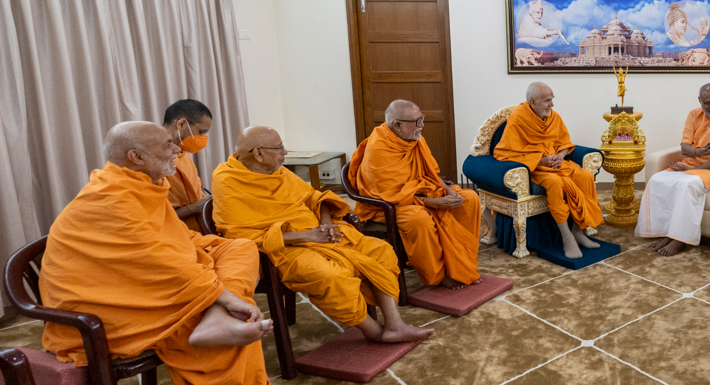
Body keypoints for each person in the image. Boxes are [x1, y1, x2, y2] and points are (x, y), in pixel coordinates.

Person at [40, 122, 306, 385]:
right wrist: (222, 296)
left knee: (239, 247)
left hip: (143, 281)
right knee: (236, 322)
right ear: (136, 156)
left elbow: (169, 244)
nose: (177, 151)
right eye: (168, 146)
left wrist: (217, 288)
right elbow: (158, 261)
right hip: (106, 308)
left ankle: (217, 318)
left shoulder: (139, 183)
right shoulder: (110, 200)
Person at [212, 126, 432, 345]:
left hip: (320, 235)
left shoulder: (278, 171)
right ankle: (373, 331)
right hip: (284, 248)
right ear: (258, 153)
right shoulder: (227, 179)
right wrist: (307, 236)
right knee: (332, 276)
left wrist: (325, 226)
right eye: (279, 148)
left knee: (382, 251)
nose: (285, 152)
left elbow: (316, 198)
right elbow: (239, 235)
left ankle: (394, 325)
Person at [348, 99, 481, 290]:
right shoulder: (378, 148)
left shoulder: (414, 139)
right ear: (397, 125)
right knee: (419, 219)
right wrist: (435, 202)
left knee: (469, 199)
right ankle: (437, 275)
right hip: (388, 205)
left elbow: (430, 173)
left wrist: (450, 191)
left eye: (422, 119)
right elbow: (387, 195)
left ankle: (461, 262)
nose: (422, 125)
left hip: (420, 193)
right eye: (417, 121)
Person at [493, 82, 604, 259]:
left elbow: (565, 143)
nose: (551, 105)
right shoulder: (518, 119)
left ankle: (578, 231)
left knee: (586, 176)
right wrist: (540, 161)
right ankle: (566, 237)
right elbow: (504, 153)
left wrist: (560, 156)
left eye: (552, 100)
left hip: (557, 163)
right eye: (547, 101)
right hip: (535, 167)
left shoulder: (554, 117)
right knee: (555, 183)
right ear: (532, 102)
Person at [635, 83, 710, 257]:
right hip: (692, 166)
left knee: (687, 185)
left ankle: (680, 239)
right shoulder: (694, 114)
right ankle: (666, 232)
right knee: (657, 180)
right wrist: (697, 153)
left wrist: (695, 168)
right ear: (700, 100)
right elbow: (684, 147)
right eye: (708, 103)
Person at [162, 99, 213, 232]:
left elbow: (198, 198)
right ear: (181, 124)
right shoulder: (152, 161)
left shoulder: (185, 158)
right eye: (201, 132)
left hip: (198, 232)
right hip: (171, 235)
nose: (203, 137)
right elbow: (154, 214)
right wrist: (193, 208)